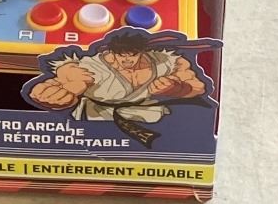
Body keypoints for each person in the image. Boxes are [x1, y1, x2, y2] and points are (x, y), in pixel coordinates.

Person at [28, 30, 206, 147]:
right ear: (112, 52)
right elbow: (61, 81)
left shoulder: (165, 61)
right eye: (121, 55)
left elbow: (197, 87)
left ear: (142, 51)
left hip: (150, 121)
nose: (127, 60)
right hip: (97, 123)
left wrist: (177, 88)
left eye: (133, 55)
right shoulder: (91, 67)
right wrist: (53, 95)